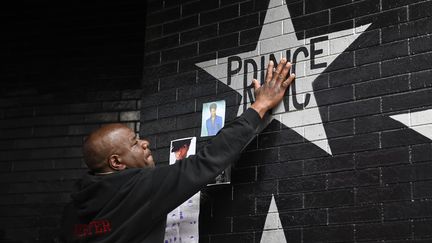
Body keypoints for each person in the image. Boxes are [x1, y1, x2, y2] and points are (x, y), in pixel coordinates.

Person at [60, 58, 295, 242]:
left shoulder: (73, 209)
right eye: (134, 143)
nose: (145, 143)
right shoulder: (139, 186)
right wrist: (260, 105)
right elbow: (206, 161)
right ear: (116, 162)